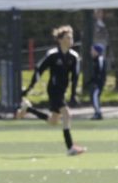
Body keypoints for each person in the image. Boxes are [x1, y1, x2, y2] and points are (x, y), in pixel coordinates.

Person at [18, 25, 84, 155]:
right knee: (67, 114)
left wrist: (73, 94)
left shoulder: (74, 57)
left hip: (62, 90)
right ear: (60, 40)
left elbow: (75, 77)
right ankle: (70, 147)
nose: (70, 40)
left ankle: (28, 109)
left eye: (71, 37)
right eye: (67, 37)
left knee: (53, 121)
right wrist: (30, 88)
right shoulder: (52, 55)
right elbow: (39, 70)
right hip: (54, 89)